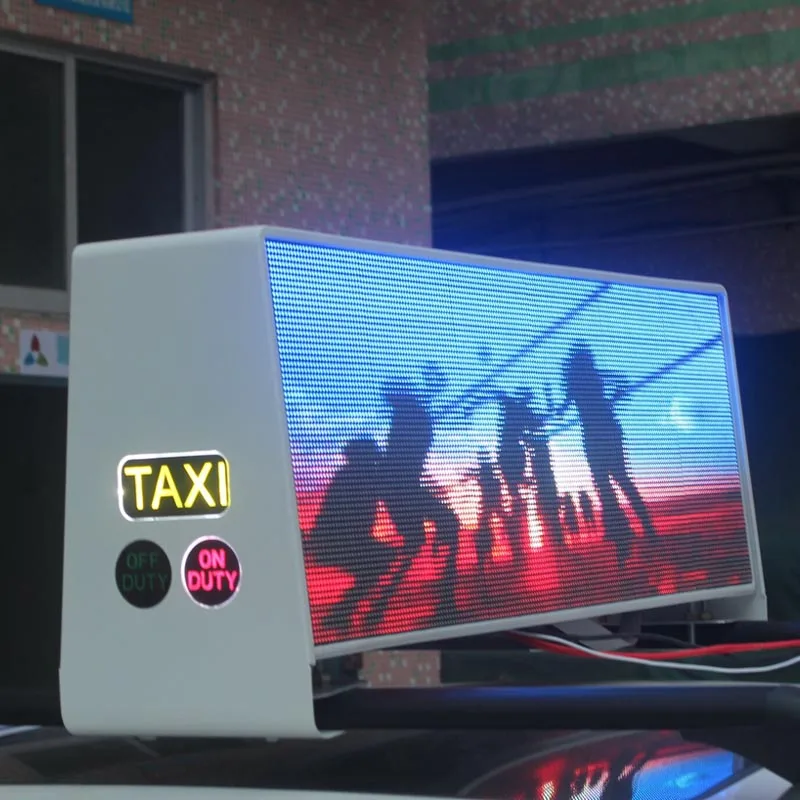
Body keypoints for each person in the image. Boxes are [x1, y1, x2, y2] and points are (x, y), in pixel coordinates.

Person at [562, 344, 657, 566]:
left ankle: (625, 536)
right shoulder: (593, 375)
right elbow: (621, 380)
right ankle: (643, 531)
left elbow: (562, 409)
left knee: (606, 489)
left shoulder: (574, 381)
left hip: (595, 436)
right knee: (620, 483)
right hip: (606, 430)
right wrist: (612, 399)